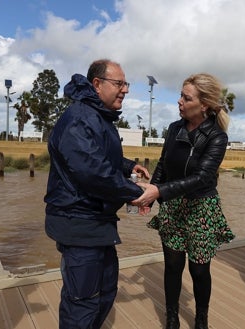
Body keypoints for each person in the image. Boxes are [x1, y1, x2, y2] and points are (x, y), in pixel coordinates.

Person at [44, 59, 150, 329]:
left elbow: (100, 154)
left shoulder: (96, 115)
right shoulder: (80, 118)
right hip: (79, 222)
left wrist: (128, 166)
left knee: (104, 291)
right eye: (119, 83)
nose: (125, 89)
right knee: (83, 301)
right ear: (97, 84)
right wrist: (135, 192)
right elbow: (94, 172)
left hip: (96, 222)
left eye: (126, 83)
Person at [135, 73, 235, 329]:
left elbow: (202, 178)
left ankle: (201, 319)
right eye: (180, 95)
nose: (179, 101)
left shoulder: (217, 136)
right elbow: (163, 166)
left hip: (201, 207)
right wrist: (150, 194)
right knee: (172, 266)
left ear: (204, 105)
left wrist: (159, 192)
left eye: (185, 97)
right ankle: (171, 318)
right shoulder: (174, 129)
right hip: (172, 206)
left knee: (200, 271)